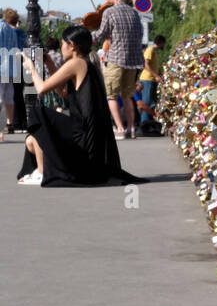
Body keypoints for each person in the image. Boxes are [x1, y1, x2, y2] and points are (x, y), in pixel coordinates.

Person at [17, 25, 144, 187]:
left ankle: (42, 172)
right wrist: (49, 64)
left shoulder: (76, 63)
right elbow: (63, 92)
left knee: (37, 111)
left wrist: (31, 68)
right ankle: (41, 170)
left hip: (83, 137)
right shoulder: (86, 63)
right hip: (89, 135)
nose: (61, 48)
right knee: (32, 139)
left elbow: (41, 89)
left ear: (72, 46)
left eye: (63, 44)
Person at [92, 0, 144, 140]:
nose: (106, 2)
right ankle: (131, 128)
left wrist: (88, 35)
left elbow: (101, 34)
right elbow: (140, 33)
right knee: (128, 96)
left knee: (112, 95)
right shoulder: (134, 13)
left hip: (116, 59)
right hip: (133, 60)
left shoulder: (110, 11)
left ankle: (120, 128)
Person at [3, 9, 27, 132]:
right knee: (17, 95)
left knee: (10, 96)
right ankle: (21, 122)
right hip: (19, 65)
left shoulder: (7, 31)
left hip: (8, 65)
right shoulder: (21, 32)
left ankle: (15, 122)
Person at [139, 33, 166, 130]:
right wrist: (155, 75)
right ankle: (144, 124)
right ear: (160, 43)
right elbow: (146, 65)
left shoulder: (155, 51)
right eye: (163, 44)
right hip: (147, 79)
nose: (164, 46)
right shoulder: (150, 50)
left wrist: (160, 75)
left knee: (152, 102)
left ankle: (149, 124)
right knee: (146, 102)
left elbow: (154, 66)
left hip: (152, 80)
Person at [0, 13, 18, 141]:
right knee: (8, 97)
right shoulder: (11, 30)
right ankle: (9, 123)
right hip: (11, 68)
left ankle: (0, 131)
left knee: (0, 98)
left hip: (1, 66)